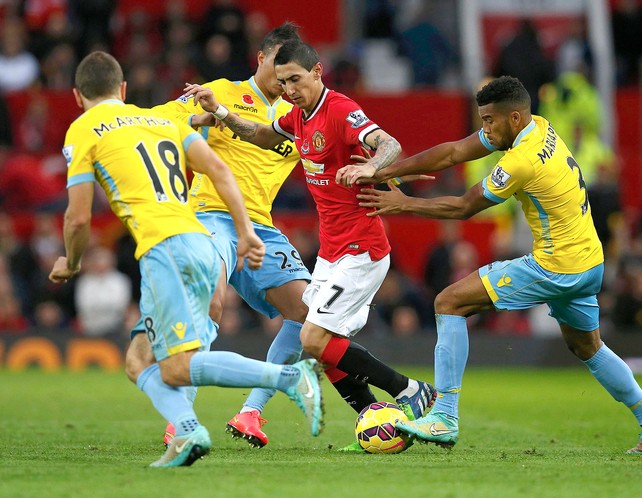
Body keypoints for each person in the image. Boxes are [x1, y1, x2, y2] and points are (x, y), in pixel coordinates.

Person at [337, 76, 642, 454]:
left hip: (556, 265)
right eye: (482, 120)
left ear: (513, 117)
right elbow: (453, 152)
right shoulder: (539, 127)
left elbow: (465, 206)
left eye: (489, 121)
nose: (484, 129)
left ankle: (444, 416)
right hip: (588, 261)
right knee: (588, 347)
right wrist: (384, 170)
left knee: (449, 302)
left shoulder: (521, 161)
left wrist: (403, 205)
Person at [49, 51, 324, 468]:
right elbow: (219, 169)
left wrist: (70, 263)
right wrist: (246, 231)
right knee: (139, 360)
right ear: (123, 91)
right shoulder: (160, 122)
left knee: (177, 367)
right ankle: (187, 429)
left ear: (76, 95)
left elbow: (77, 217)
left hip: (166, 248)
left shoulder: (84, 128)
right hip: (197, 237)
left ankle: (286, 377)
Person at [183, 38, 436, 451]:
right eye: (283, 83)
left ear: (318, 72)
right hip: (333, 251)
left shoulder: (340, 110)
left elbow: (389, 143)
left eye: (296, 80)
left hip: (361, 249)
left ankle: (408, 389)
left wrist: (371, 166)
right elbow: (262, 135)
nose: (289, 90)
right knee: (314, 336)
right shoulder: (299, 116)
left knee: (314, 339)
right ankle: (372, 417)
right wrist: (221, 114)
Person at [145, 21, 311, 449]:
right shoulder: (221, 91)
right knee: (212, 303)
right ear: (261, 58)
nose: (284, 76)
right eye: (278, 64)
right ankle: (180, 418)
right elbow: (157, 121)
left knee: (308, 315)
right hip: (210, 216)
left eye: (293, 70)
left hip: (261, 227)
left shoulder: (298, 115)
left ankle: (250, 413)